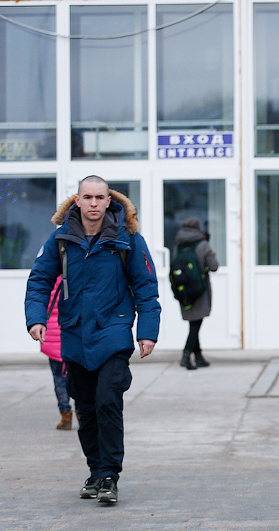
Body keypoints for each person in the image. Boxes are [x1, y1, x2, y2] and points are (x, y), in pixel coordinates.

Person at [25, 175, 161, 505]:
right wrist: (36, 318)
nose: (94, 203)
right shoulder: (61, 239)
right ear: (78, 201)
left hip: (113, 331)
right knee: (85, 408)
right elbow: (39, 280)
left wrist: (147, 331)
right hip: (73, 333)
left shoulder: (128, 238)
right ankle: (96, 471)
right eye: (88, 197)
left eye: (100, 197)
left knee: (107, 401)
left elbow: (146, 287)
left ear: (108, 200)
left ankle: (110, 475)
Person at [174, 217, 219, 370]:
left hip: (184, 291)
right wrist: (212, 253)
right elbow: (214, 267)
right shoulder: (203, 245)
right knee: (196, 325)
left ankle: (198, 357)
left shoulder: (178, 246)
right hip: (199, 290)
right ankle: (186, 356)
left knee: (194, 323)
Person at [42, 276, 74, 430]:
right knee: (79, 378)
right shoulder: (74, 277)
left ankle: (65, 415)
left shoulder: (49, 279)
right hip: (72, 336)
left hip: (53, 339)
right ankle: (82, 413)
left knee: (59, 379)